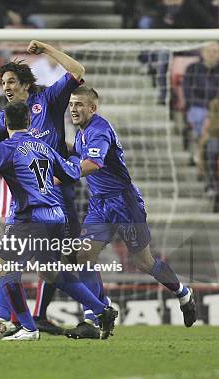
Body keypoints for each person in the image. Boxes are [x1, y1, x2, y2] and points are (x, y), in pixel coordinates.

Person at [0, 40, 85, 335]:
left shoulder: (48, 99)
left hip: (59, 188)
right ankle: (11, 317)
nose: (5, 87)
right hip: (29, 196)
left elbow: (78, 70)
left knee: (61, 258)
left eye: (10, 81)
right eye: (2, 83)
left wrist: (47, 50)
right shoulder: (6, 117)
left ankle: (42, 316)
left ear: (25, 84)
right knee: (15, 259)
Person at [0, 101, 118, 341]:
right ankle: (102, 310)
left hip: (30, 216)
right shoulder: (44, 147)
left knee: (5, 268)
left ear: (5, 123)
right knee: (50, 272)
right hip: (56, 215)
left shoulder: (7, 147)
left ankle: (28, 328)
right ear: (29, 122)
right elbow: (71, 172)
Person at [64, 86, 197, 339]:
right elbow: (80, 151)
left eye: (79, 104)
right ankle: (95, 316)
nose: (73, 108)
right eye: (71, 104)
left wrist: (61, 175)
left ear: (93, 108)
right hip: (100, 204)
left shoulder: (100, 130)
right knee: (83, 255)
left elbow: (92, 163)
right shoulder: (83, 133)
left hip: (124, 203)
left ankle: (183, 293)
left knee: (144, 262)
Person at [201, 98, 219, 212]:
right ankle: (213, 186)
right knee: (211, 145)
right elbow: (210, 131)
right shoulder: (214, 107)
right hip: (214, 141)